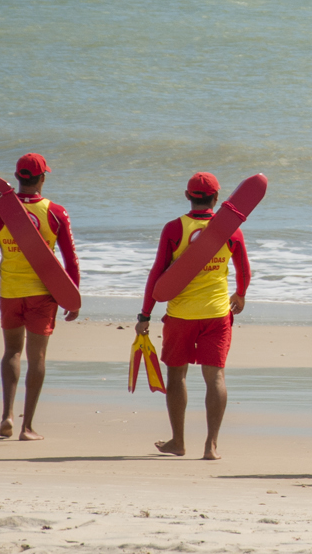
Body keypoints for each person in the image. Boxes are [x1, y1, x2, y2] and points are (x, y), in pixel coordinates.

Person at [137, 172, 251, 461]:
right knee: (215, 376)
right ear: (216, 198)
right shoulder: (231, 230)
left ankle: (178, 441)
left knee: (177, 374)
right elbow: (244, 269)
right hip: (216, 314)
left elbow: (157, 274)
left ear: (188, 196)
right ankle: (211, 445)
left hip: (181, 315)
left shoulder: (174, 229)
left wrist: (145, 314)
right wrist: (240, 294)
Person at [0, 152, 80, 441]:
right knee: (37, 358)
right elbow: (71, 261)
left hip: (10, 293)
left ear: (18, 178)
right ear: (42, 178)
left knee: (11, 352)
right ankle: (27, 426)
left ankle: (7, 415)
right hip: (43, 295)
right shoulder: (56, 213)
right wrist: (73, 296)